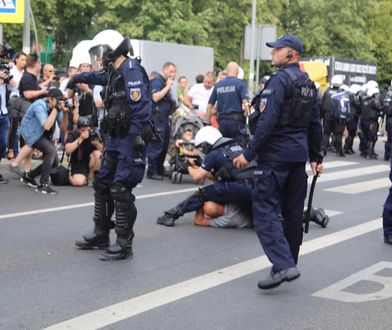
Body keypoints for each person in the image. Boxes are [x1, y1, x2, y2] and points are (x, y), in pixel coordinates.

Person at [233, 34, 323, 290]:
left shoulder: (279, 81)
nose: (272, 53)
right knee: (292, 214)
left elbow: (267, 122)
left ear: (291, 54)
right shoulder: (309, 84)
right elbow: (315, 124)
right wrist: (316, 157)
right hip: (298, 157)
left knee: (264, 210)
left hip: (274, 156)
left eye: (277, 50)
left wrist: (248, 154)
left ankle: (283, 265)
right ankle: (287, 263)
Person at [68, 31, 152, 261]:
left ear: (114, 49)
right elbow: (98, 78)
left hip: (129, 139)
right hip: (115, 138)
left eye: (101, 51)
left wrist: (136, 137)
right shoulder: (114, 71)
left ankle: (124, 244)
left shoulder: (131, 69)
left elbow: (142, 107)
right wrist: (77, 78)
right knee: (102, 183)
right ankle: (101, 234)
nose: (99, 57)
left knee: (121, 188)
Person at [157, 126, 253, 227]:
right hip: (257, 184)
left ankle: (171, 215)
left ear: (206, 144)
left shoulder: (214, 153)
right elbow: (218, 177)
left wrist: (187, 166)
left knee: (202, 194)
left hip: (239, 186)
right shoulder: (237, 146)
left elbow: (197, 177)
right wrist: (198, 166)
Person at [20, 88, 68, 194]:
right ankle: (43, 185)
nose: (60, 102)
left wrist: (65, 114)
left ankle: (29, 176)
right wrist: (56, 109)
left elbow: (63, 128)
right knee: (50, 151)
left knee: (54, 162)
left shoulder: (56, 107)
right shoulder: (39, 105)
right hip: (31, 133)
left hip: (42, 135)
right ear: (50, 99)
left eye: (62, 100)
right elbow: (46, 126)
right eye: (58, 100)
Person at [207, 61, 250, 145]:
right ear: (237, 71)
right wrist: (248, 115)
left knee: (224, 148)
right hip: (237, 123)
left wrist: (208, 123)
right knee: (238, 148)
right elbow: (246, 103)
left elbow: (209, 106)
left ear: (226, 72)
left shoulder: (218, 85)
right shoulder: (241, 84)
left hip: (222, 123)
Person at [147, 61, 177, 180]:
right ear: (164, 69)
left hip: (164, 118)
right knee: (157, 144)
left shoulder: (164, 82)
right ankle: (152, 171)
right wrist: (168, 86)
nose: (173, 74)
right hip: (157, 117)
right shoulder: (157, 81)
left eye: (174, 72)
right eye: (171, 71)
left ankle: (160, 168)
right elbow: (155, 97)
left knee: (164, 145)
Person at [64, 116, 103, 187]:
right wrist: (80, 138)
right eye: (82, 130)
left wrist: (97, 144)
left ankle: (90, 177)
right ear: (78, 129)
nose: (85, 132)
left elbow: (102, 151)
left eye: (87, 129)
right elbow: (68, 150)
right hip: (78, 162)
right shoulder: (73, 135)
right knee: (78, 183)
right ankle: (68, 176)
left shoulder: (93, 135)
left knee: (98, 154)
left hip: (90, 161)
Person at [0, 63, 15, 184]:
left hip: (4, 115)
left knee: (3, 143)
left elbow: (13, 86)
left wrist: (7, 78)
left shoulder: (5, 82)